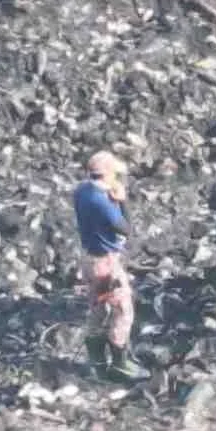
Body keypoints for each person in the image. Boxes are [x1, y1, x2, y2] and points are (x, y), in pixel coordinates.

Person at [73, 150, 150, 382]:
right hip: (105, 264)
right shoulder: (101, 201)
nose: (117, 178)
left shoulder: (81, 191)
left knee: (98, 309)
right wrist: (122, 200)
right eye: (114, 174)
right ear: (105, 174)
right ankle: (120, 364)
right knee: (122, 310)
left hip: (89, 258)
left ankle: (96, 364)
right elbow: (126, 228)